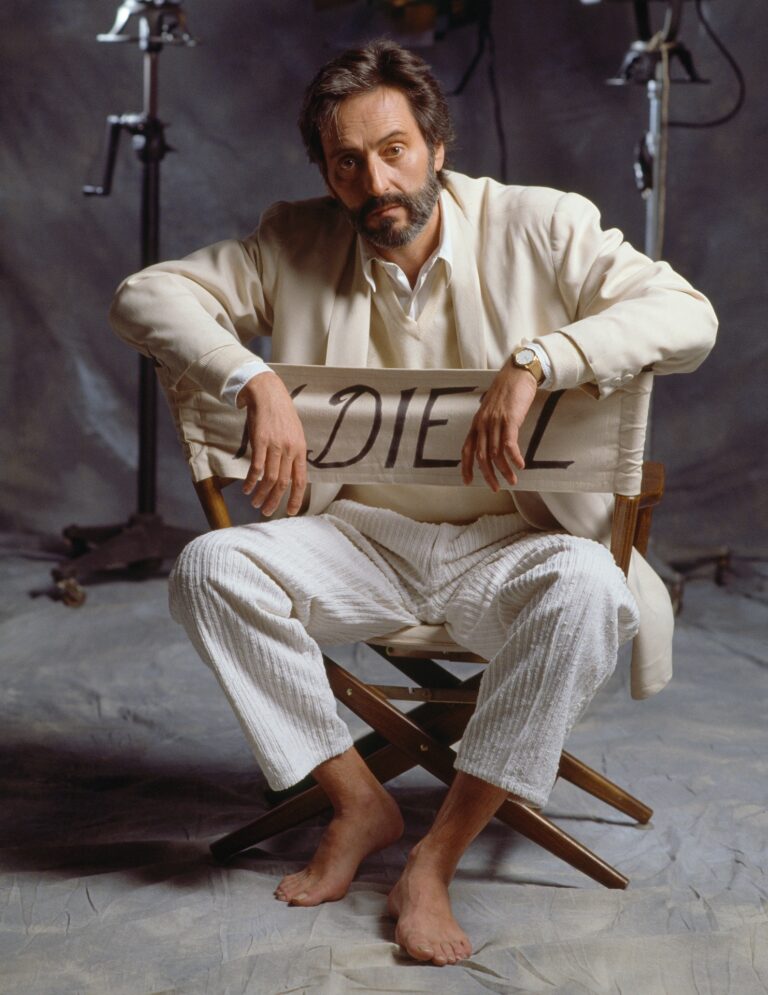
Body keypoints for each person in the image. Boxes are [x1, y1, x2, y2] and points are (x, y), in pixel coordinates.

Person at [110, 40, 717, 966]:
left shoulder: (542, 224)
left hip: (515, 546)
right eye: (347, 162)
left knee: (592, 588)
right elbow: (144, 295)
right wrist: (251, 376)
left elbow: (687, 316)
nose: (376, 182)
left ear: (437, 145)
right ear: (326, 171)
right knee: (210, 569)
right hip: (363, 543)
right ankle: (360, 801)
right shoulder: (295, 238)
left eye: (394, 150)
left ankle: (436, 857)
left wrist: (540, 359)